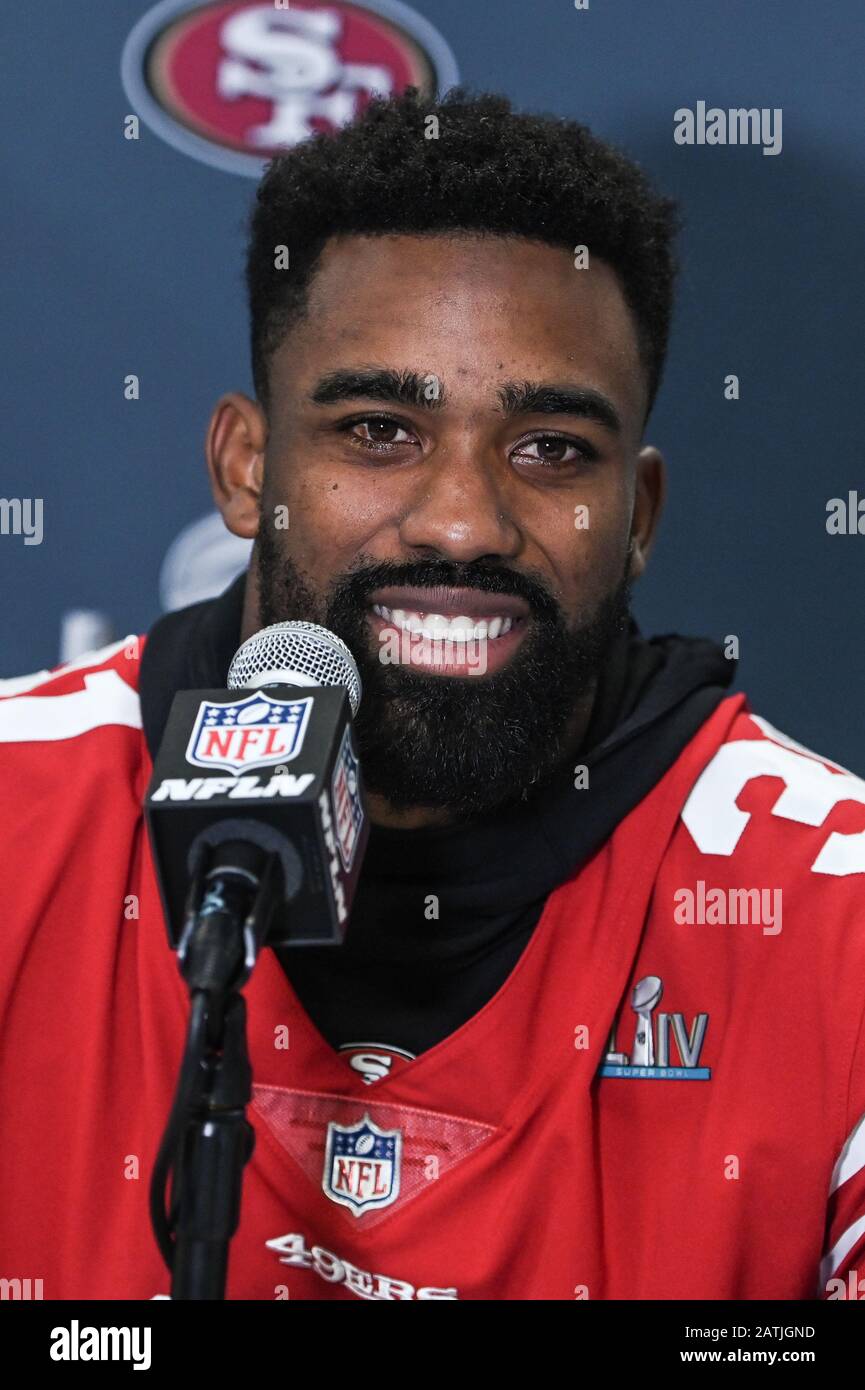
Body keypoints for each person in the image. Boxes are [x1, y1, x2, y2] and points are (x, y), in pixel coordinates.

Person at [1, 88, 863, 1302]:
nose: (462, 519)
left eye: (550, 448)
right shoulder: (13, 815)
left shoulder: (831, 911)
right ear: (248, 469)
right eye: (377, 430)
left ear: (640, 518)